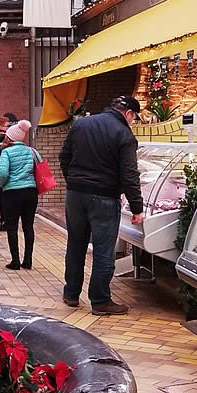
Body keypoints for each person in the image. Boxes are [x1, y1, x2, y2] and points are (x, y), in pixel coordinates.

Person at [59, 96, 144, 316]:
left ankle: (70, 293)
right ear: (128, 113)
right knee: (104, 249)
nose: (132, 122)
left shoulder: (81, 124)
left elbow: (64, 156)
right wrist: (137, 207)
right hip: (104, 197)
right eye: (134, 118)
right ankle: (100, 300)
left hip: (75, 195)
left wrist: (73, 181)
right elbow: (130, 175)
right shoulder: (124, 134)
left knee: (76, 243)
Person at [0, 119, 39, 270]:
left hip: (12, 193)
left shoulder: (6, 152)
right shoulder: (31, 151)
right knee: (28, 226)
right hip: (30, 192)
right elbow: (39, 167)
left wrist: (1, 185)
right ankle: (28, 260)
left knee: (12, 227)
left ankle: (15, 261)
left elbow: (2, 173)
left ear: (10, 137)